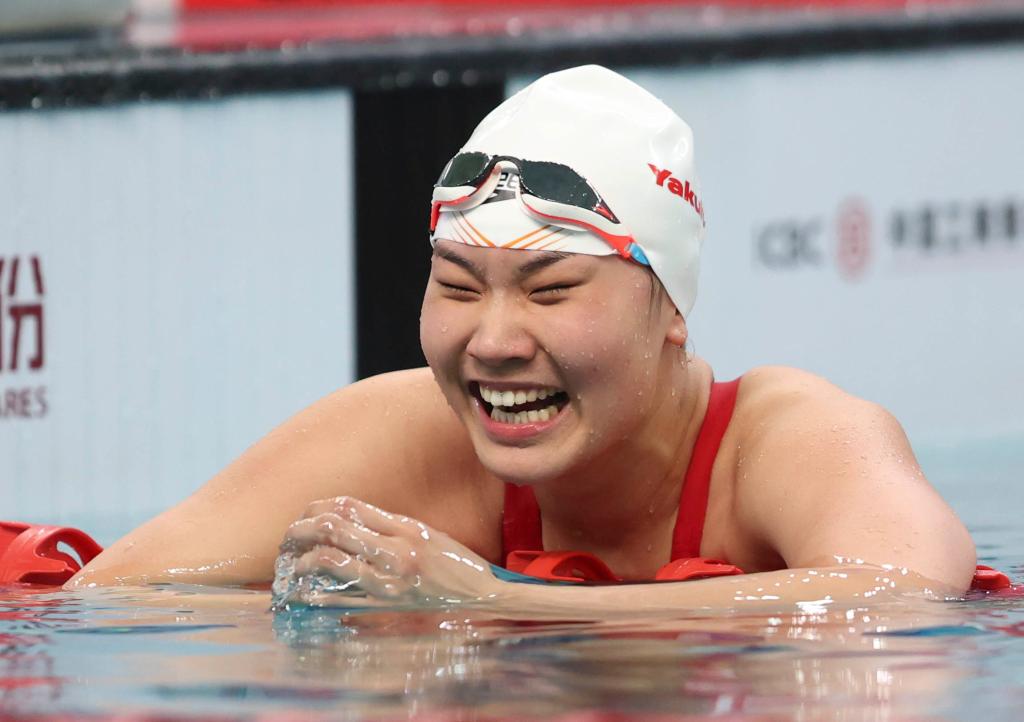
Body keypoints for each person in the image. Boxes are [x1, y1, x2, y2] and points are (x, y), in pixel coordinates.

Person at [68, 66, 976, 612]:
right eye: (459, 286)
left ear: (671, 308)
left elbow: (907, 593)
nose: (493, 340)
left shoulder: (789, 440)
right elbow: (109, 601)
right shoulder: (409, 434)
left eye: (551, 290)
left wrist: (497, 605)